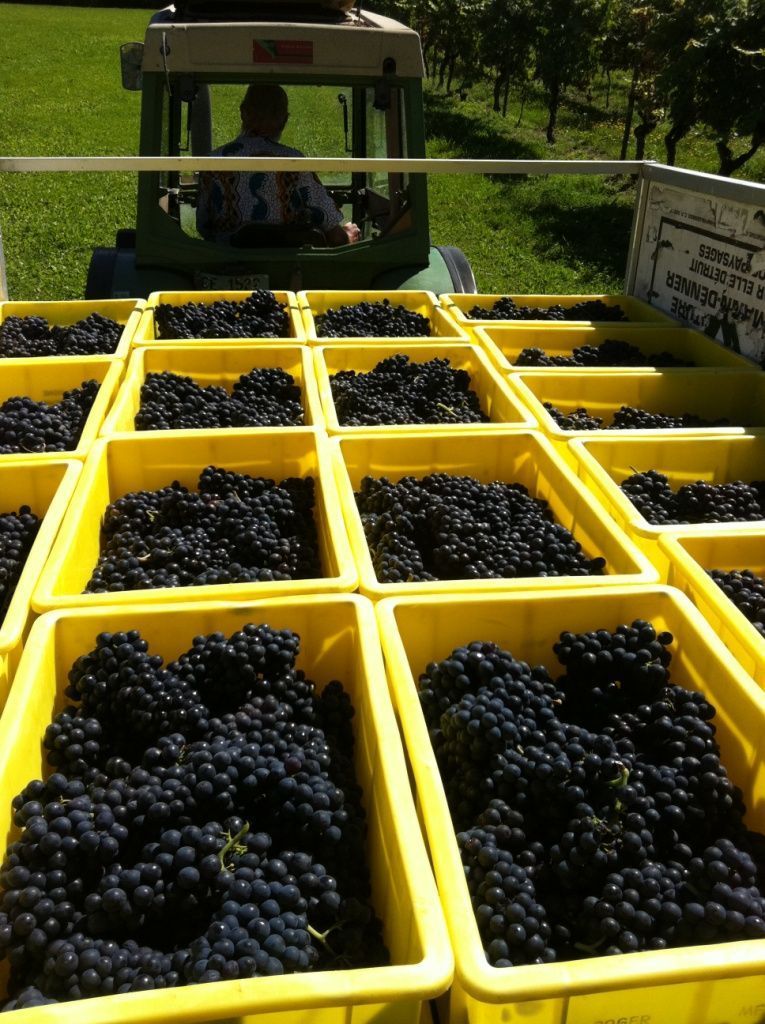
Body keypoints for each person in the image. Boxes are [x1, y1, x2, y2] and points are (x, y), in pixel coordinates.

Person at [196, 83, 361, 246]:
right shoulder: (294, 162)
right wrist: (348, 235)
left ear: (243, 113)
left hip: (226, 263)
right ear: (284, 120)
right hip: (288, 266)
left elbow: (203, 227)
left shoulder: (213, 160)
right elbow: (334, 235)